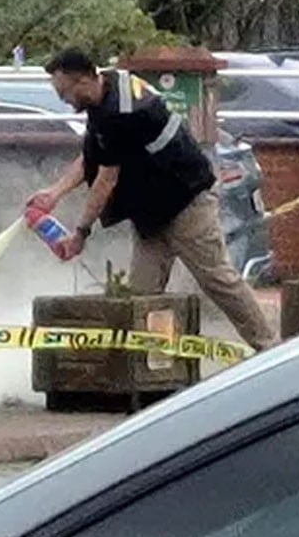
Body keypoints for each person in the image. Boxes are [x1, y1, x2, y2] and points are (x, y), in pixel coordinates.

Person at [27, 48, 279, 352]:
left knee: (217, 280)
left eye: (63, 92)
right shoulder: (108, 88)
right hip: (153, 209)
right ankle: (151, 372)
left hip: (187, 201)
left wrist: (81, 232)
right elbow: (92, 156)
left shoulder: (120, 112)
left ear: (82, 81)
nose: (63, 100)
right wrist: (54, 193)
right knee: (143, 296)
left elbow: (107, 179)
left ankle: (270, 349)